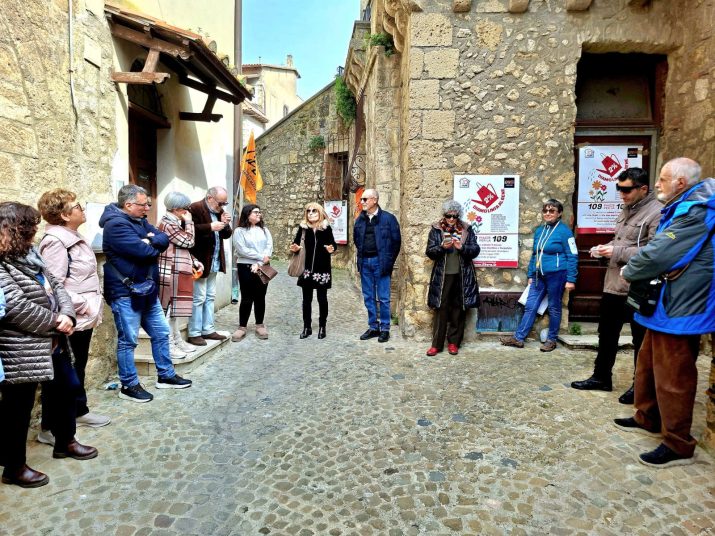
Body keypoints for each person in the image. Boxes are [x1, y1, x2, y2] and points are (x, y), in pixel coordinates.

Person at [615, 158, 714, 468]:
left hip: (682, 307)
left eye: (662, 178)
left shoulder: (696, 212)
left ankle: (677, 443)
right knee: (648, 364)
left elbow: (659, 253)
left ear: (680, 183)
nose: (657, 184)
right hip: (665, 304)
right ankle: (647, 417)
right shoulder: (681, 207)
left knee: (674, 376)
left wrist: (631, 269)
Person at [0, 202, 98, 488]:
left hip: (53, 340)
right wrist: (56, 321)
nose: (35, 231)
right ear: (15, 229)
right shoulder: (2, 263)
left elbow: (57, 286)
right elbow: (16, 306)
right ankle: (14, 467)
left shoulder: (30, 255)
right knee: (19, 407)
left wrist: (67, 313)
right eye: (30, 226)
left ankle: (65, 441)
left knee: (67, 388)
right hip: (21, 345)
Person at [571, 168, 662, 402]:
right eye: (619, 189)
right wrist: (604, 249)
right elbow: (621, 240)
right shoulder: (626, 208)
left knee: (640, 340)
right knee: (606, 334)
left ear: (643, 189)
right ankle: (601, 377)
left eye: (626, 189)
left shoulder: (657, 212)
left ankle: (640, 387)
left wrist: (616, 251)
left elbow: (656, 251)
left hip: (638, 288)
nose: (621, 194)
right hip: (613, 285)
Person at [100, 185, 192, 403]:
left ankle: (165, 375)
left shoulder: (139, 220)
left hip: (147, 289)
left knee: (161, 333)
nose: (148, 208)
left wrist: (150, 239)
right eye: (144, 205)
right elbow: (145, 252)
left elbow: (163, 239)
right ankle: (129, 385)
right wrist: (150, 242)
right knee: (128, 341)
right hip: (125, 291)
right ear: (128, 204)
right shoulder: (115, 225)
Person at [35, 189, 110, 448]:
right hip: (71, 316)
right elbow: (52, 286)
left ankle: (78, 411)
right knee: (61, 374)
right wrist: (83, 304)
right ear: (65, 215)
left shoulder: (73, 237)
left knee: (78, 366)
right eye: (77, 206)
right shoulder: (56, 242)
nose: (82, 209)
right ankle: (49, 427)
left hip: (82, 316)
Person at [501, 199, 577, 351]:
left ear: (559, 213)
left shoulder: (565, 232)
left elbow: (573, 255)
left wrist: (571, 279)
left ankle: (551, 340)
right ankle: (519, 338)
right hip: (538, 276)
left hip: (557, 275)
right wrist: (530, 274)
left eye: (552, 211)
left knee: (554, 307)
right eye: (545, 211)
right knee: (530, 306)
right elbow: (535, 254)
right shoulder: (540, 230)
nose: (548, 213)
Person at [425, 200, 481, 356]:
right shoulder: (436, 229)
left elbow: (475, 250)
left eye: (454, 216)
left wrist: (461, 247)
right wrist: (442, 247)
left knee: (458, 308)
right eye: (448, 216)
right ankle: (436, 345)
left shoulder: (466, 229)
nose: (451, 219)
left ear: (458, 216)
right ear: (444, 215)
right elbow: (430, 252)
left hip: (462, 275)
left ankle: (454, 343)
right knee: (440, 308)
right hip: (443, 276)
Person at [157, 192, 204, 359]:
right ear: (176, 209)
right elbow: (188, 241)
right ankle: (168, 344)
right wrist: (190, 222)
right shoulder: (167, 223)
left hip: (177, 270)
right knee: (168, 310)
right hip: (170, 271)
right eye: (185, 208)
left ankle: (177, 340)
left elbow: (180, 247)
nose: (187, 211)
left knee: (174, 311)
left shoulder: (174, 222)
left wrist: (194, 260)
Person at [353, 189, 402, 343]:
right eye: (361, 199)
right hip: (365, 263)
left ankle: (385, 328)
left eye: (365, 199)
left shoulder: (388, 219)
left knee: (384, 298)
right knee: (368, 297)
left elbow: (396, 242)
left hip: (381, 263)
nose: (362, 202)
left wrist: (388, 261)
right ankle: (373, 327)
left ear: (374, 200)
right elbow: (356, 240)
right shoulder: (360, 220)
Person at [187, 186, 232, 346]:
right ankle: (194, 332)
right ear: (210, 198)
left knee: (210, 296)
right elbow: (187, 229)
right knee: (199, 297)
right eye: (221, 203)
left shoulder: (219, 211)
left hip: (214, 260)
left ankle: (208, 329)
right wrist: (210, 227)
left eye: (225, 203)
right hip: (200, 260)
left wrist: (226, 224)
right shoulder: (195, 208)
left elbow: (226, 235)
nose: (222, 206)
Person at [289, 202, 337, 339]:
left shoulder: (326, 228)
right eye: (308, 211)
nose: (310, 213)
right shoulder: (303, 228)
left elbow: (333, 244)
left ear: (320, 212)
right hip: (306, 269)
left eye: (314, 211)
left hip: (322, 268)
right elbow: (296, 243)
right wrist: (295, 248)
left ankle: (322, 326)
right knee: (306, 300)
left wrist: (331, 248)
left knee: (322, 299)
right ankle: (307, 327)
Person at [232, 204, 273, 341]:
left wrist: (260, 262)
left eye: (259, 212)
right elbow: (242, 249)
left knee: (260, 296)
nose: (258, 214)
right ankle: (242, 327)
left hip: (263, 266)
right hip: (245, 265)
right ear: (247, 214)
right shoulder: (239, 231)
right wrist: (260, 257)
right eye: (255, 212)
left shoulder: (264, 230)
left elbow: (269, 246)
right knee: (246, 296)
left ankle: (260, 325)